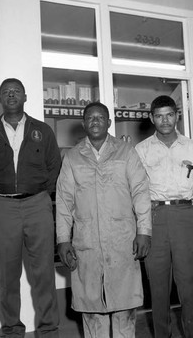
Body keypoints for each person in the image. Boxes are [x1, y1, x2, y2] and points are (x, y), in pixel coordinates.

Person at [0, 78, 61, 338]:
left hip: (37, 205)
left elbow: (54, 167)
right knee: (7, 276)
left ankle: (48, 330)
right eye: (6, 92)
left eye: (16, 91)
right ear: (0, 98)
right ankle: (11, 330)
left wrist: (39, 192)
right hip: (3, 208)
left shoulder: (42, 131)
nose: (11, 95)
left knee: (43, 272)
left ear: (25, 97)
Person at [55, 102, 152, 338]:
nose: (95, 121)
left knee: (125, 307)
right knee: (91, 309)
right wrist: (62, 240)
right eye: (90, 118)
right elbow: (64, 201)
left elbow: (140, 191)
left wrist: (144, 231)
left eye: (101, 118)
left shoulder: (126, 151)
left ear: (109, 123)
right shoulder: (72, 157)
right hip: (87, 243)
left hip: (122, 241)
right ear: (84, 123)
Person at [135, 95, 193, 338]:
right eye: (159, 115)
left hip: (184, 214)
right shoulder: (141, 150)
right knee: (158, 287)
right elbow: (137, 190)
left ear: (177, 116)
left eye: (170, 114)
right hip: (154, 217)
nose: (165, 120)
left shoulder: (192, 148)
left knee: (189, 287)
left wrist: (184, 210)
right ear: (151, 118)